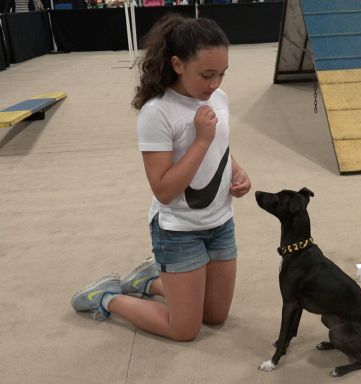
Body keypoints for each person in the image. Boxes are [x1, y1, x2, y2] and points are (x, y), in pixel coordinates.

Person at [71, 14, 251, 342]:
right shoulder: (157, 112)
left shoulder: (217, 99)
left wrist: (237, 172)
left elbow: (221, 148)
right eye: (207, 74)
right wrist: (200, 140)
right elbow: (164, 190)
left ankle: (148, 282)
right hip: (178, 231)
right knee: (184, 330)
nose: (215, 84)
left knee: (215, 316)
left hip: (221, 224)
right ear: (178, 64)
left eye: (222, 74)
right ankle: (108, 298)